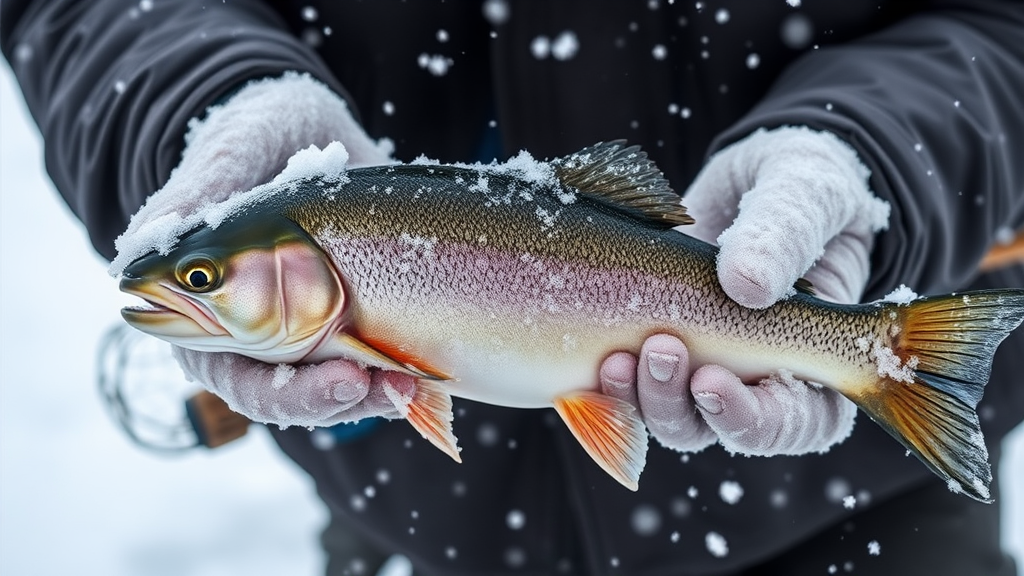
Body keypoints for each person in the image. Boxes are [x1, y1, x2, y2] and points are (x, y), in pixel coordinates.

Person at [3, 1, 1023, 574]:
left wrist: (868, 154)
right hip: (422, 531)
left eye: (201, 279)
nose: (190, 291)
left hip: (862, 525)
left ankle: (888, 355)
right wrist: (204, 99)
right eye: (202, 280)